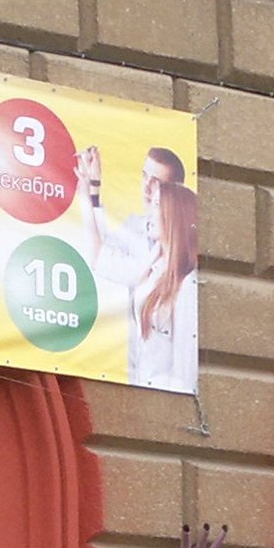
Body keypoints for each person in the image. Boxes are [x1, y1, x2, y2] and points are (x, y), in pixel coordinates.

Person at [79, 143, 200, 392]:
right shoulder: (150, 262)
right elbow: (102, 256)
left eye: (156, 184)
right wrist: (90, 192)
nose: (146, 188)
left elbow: (186, 368)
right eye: (145, 176)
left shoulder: (187, 284)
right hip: (136, 380)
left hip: (163, 393)